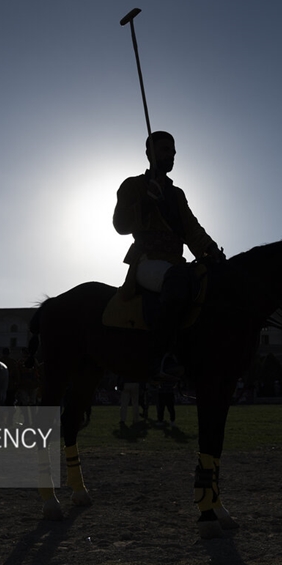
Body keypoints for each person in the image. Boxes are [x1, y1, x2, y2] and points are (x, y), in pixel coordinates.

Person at [113, 130, 225, 380]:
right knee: (177, 280)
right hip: (146, 260)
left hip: (176, 263)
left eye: (173, 152)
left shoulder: (177, 194)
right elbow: (120, 225)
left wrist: (210, 249)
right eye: (165, 150)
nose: (171, 156)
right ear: (149, 153)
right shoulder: (133, 185)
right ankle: (160, 356)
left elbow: (191, 229)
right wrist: (146, 202)